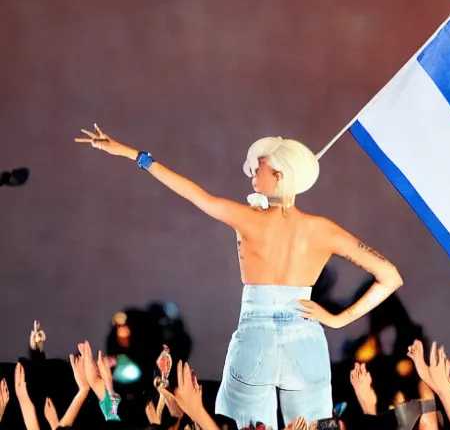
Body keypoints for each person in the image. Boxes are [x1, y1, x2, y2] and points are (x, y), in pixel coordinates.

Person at [76, 126, 403, 429]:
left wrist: (135, 155)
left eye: (258, 168)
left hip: (255, 335)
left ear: (278, 174)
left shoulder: (248, 219)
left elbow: (195, 194)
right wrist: (337, 320)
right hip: (305, 338)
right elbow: (389, 276)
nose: (251, 174)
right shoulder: (323, 229)